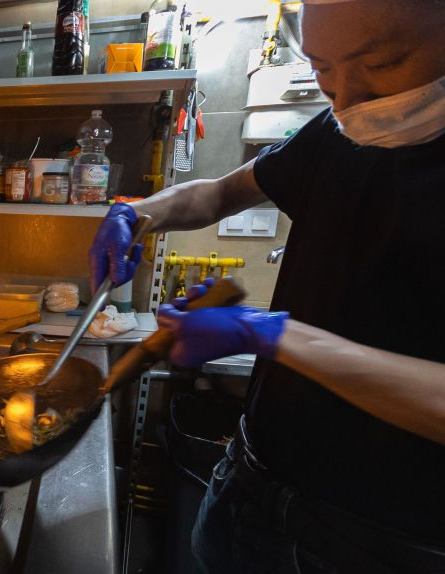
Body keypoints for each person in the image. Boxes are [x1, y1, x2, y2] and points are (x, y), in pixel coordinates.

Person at [88, 0, 445, 572]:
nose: (345, 100)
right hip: (250, 479)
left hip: (377, 541)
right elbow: (218, 194)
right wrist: (138, 213)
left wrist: (271, 334)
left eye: (381, 64)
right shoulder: (335, 133)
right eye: (322, 69)